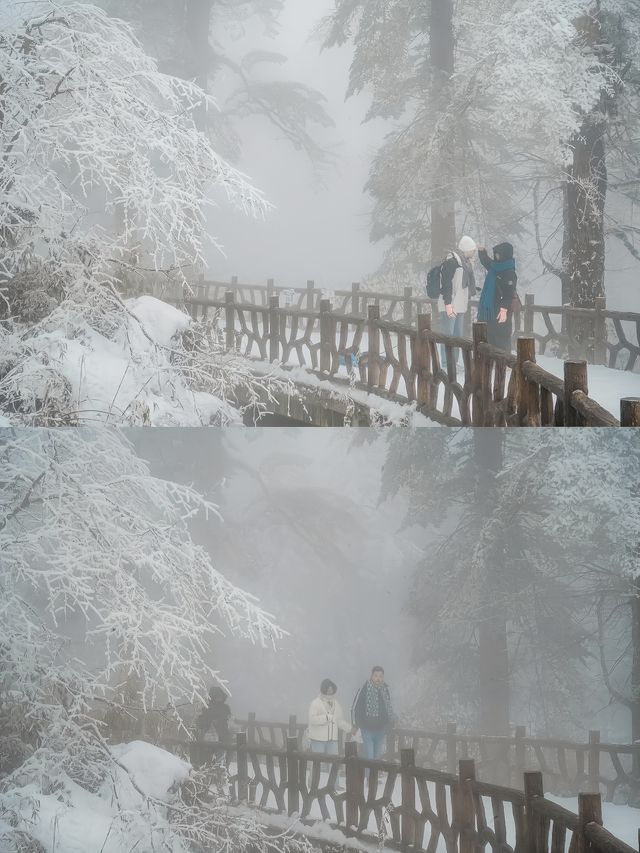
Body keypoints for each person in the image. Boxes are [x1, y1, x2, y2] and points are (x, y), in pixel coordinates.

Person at [437, 235, 477, 368]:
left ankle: (453, 362)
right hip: (450, 305)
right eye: (472, 250)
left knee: (457, 336)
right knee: (447, 336)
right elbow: (446, 284)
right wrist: (448, 304)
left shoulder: (465, 263)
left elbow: (462, 284)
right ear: (466, 249)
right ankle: (445, 363)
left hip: (459, 306)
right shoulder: (452, 262)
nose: (473, 252)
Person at [477, 242, 517, 352]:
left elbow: (509, 295)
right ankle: (495, 365)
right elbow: (486, 261)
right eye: (495, 254)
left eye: (498, 254)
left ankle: (506, 366)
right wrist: (482, 251)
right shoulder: (495, 267)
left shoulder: (509, 272)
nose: (496, 257)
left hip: (501, 312)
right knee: (491, 338)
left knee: (502, 339)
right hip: (492, 311)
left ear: (505, 254)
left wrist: (504, 310)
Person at [351, 666, 395, 760]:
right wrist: (356, 724)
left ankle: (373, 775)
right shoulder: (365, 689)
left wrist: (391, 722)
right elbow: (356, 708)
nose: (378, 678)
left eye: (380, 676)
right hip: (367, 729)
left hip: (380, 729)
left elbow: (388, 707)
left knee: (377, 757)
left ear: (383, 677)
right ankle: (367, 775)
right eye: (376, 676)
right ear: (371, 676)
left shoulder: (385, 690)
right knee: (369, 757)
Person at [307, 678, 352, 755]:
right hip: (318, 739)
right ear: (323, 689)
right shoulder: (316, 703)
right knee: (320, 763)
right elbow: (312, 719)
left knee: (333, 762)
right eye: (328, 689)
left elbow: (339, 721)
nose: (330, 691)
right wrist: (326, 718)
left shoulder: (336, 704)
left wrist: (350, 729)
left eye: (332, 689)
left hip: (332, 740)